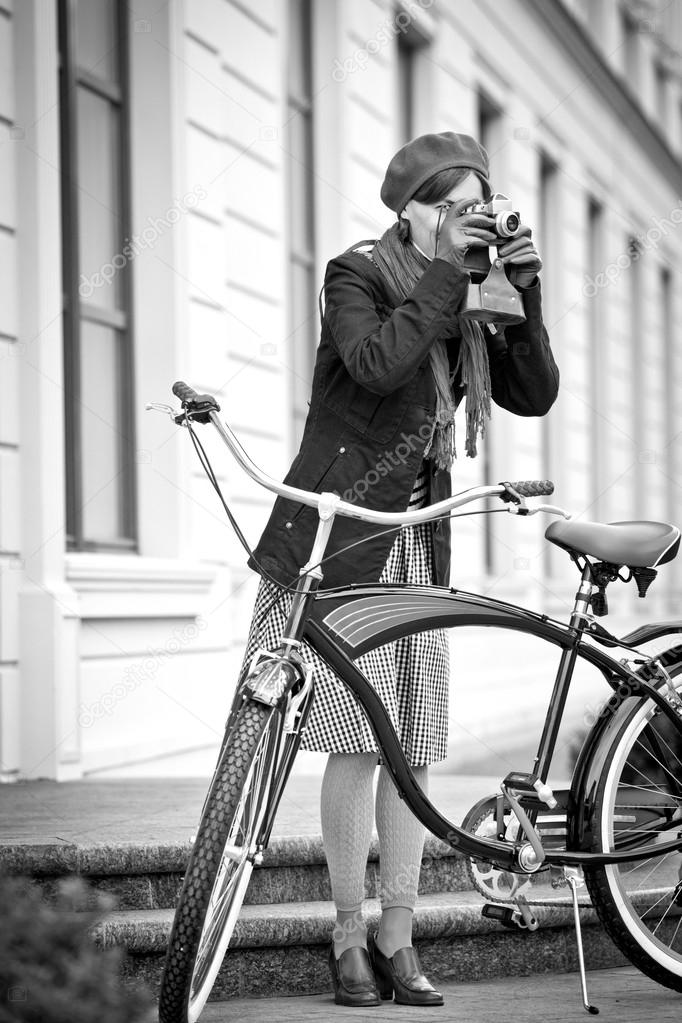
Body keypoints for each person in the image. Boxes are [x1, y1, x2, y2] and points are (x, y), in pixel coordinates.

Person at [241, 131, 559, 1007]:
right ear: (411, 212)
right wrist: (449, 273)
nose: (466, 222)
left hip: (417, 537)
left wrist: (526, 288)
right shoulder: (356, 275)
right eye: (451, 209)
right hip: (345, 536)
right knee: (354, 739)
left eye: (478, 208)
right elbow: (378, 364)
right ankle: (348, 934)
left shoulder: (475, 287)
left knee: (410, 743)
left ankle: (398, 932)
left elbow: (534, 393)